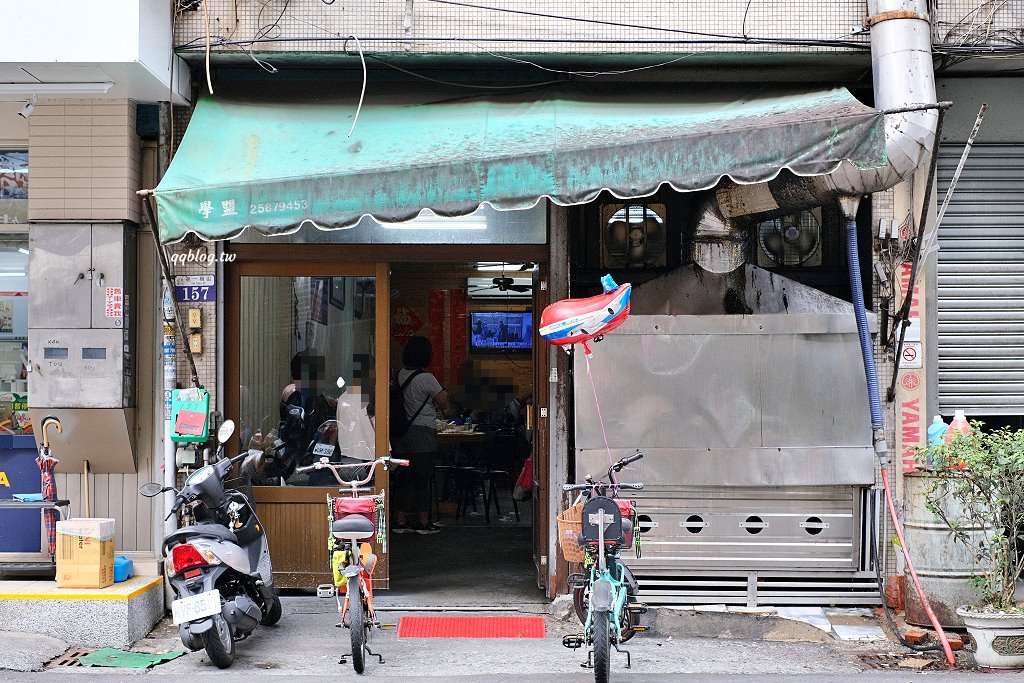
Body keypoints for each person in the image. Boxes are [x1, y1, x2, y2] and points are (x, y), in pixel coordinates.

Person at [391, 336, 448, 534]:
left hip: (401, 432)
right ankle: (423, 521)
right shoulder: (426, 378)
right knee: (423, 477)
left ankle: (400, 520)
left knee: (404, 477)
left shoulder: (400, 375)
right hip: (423, 432)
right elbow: (443, 401)